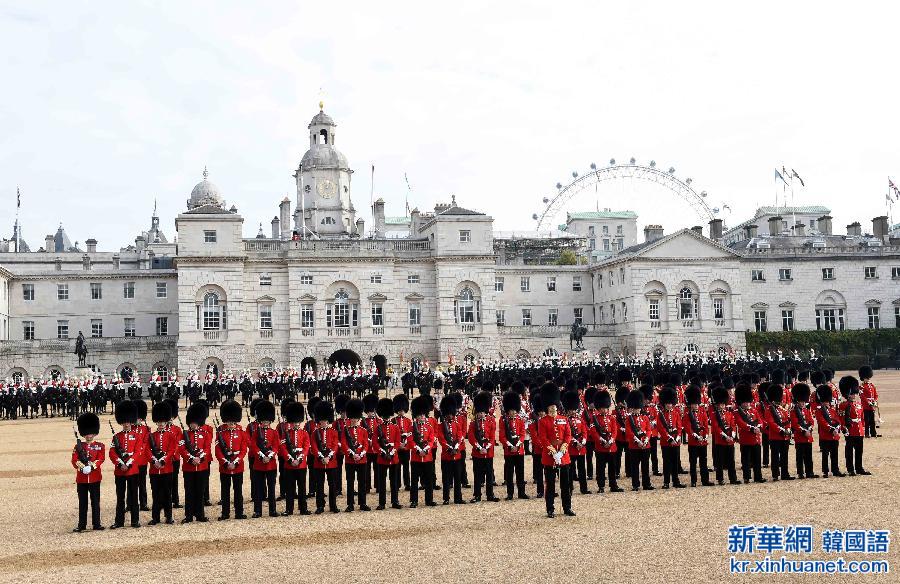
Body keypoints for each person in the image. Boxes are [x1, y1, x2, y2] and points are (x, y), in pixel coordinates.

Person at [537, 383, 574, 518]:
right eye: (551, 406)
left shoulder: (563, 419)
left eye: (555, 406)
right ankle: (550, 509)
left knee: (565, 485)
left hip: (563, 456)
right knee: (550, 485)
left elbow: (568, 435)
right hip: (550, 457)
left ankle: (567, 507)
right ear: (547, 407)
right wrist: (553, 452)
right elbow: (543, 438)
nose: (553, 408)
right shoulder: (543, 421)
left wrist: (563, 449)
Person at [109, 399, 141, 529]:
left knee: (134, 496)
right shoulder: (116, 436)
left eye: (128, 421)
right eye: (124, 421)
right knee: (120, 497)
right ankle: (119, 521)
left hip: (132, 470)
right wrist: (120, 463)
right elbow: (112, 452)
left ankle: (135, 520)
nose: (126, 424)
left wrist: (129, 462)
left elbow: (138, 451)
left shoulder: (136, 435)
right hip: (120, 470)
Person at [215, 399, 249, 520]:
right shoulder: (220, 432)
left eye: (233, 421)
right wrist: (225, 462)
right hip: (225, 467)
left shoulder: (242, 432)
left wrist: (235, 462)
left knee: (238, 491)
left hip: (237, 465)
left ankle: (239, 513)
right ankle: (225, 513)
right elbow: (218, 450)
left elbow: (244, 450)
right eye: (229, 420)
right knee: (225, 491)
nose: (231, 423)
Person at [72, 412, 105, 532]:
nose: (88, 435)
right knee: (83, 503)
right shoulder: (78, 446)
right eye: (86, 433)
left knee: (95, 502)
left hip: (95, 477)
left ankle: (97, 524)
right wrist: (82, 468)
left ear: (94, 433)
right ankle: (82, 525)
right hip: (82, 478)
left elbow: (101, 458)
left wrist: (92, 467)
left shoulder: (100, 446)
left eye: (90, 433)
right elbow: (74, 460)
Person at [180, 402, 211, 523]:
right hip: (189, 467)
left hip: (202, 467)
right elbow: (182, 449)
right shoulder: (185, 435)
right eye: (191, 423)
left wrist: (200, 458)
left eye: (195, 422)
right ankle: (188, 515)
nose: (193, 425)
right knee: (189, 492)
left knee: (200, 491)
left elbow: (207, 448)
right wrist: (191, 458)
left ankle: (200, 514)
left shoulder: (205, 434)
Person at [587, 390, 623, 493]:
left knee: (612, 468)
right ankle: (601, 486)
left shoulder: (611, 418)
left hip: (611, 447)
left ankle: (613, 485)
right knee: (600, 469)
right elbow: (593, 432)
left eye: (606, 408)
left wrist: (611, 440)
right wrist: (602, 441)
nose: (605, 410)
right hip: (600, 447)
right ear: (599, 408)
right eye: (602, 408)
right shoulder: (594, 419)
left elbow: (615, 430)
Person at [147, 401, 176, 525]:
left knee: (167, 494)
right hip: (154, 469)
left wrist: (163, 460)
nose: (161, 424)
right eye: (159, 422)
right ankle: (155, 517)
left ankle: (168, 516)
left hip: (166, 468)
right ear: (156, 422)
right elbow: (147, 450)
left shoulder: (171, 435)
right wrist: (154, 461)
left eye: (163, 422)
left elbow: (172, 450)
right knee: (156, 494)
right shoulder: (151, 436)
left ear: (166, 422)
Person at [279, 401, 311, 516]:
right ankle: (289, 509)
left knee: (302, 488)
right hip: (289, 464)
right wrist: (290, 459)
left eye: (298, 422)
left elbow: (306, 447)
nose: (296, 424)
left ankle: (303, 509)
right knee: (290, 488)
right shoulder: (286, 433)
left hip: (301, 464)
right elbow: (282, 447)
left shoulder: (305, 433)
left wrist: (300, 459)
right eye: (295, 422)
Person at [249, 400, 279, 518]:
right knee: (258, 489)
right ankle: (258, 511)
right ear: (261, 421)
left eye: (267, 421)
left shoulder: (274, 432)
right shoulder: (256, 432)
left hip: (270, 464)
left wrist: (269, 456)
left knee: (271, 488)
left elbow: (276, 446)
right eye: (264, 421)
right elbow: (253, 445)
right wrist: (262, 456)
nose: (266, 423)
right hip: (259, 464)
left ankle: (272, 510)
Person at [310, 400, 341, 514]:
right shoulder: (315, 432)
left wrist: (328, 457)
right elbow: (314, 446)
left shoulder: (333, 432)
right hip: (319, 462)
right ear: (319, 421)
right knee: (319, 486)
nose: (324, 422)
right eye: (322, 420)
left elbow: (335, 446)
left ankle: (333, 505)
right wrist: (321, 457)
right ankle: (320, 506)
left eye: (325, 420)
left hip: (331, 462)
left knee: (332, 485)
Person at [498, 390, 528, 500]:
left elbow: (522, 434)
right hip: (509, 450)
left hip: (519, 450)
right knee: (510, 473)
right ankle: (510, 493)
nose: (513, 412)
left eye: (515, 410)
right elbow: (502, 436)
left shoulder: (519, 419)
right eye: (511, 410)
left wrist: (518, 444)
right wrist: (510, 445)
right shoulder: (503, 420)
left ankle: (521, 492)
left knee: (520, 472)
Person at [408, 395, 437, 508]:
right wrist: (418, 450)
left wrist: (425, 449)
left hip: (427, 456)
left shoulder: (429, 427)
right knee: (414, 480)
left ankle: (429, 500)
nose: (421, 417)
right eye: (419, 415)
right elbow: (410, 441)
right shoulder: (411, 427)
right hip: (416, 457)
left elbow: (431, 440)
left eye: (423, 415)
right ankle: (413, 500)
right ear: (416, 416)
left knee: (428, 479)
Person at [342, 398, 370, 512]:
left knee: (362, 483)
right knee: (350, 483)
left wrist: (361, 454)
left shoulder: (363, 430)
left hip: (361, 460)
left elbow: (366, 444)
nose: (354, 420)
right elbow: (344, 444)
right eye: (352, 418)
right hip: (350, 460)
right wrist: (352, 454)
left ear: (358, 418)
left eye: (356, 418)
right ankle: (350, 504)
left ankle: (362, 503)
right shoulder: (346, 430)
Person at [734, 383, 765, 484]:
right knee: (746, 460)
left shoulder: (753, 410)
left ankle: (758, 476)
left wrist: (759, 427)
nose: (747, 404)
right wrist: (752, 429)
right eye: (745, 402)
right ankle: (746, 477)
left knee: (757, 460)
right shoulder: (738, 412)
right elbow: (741, 423)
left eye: (748, 402)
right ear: (741, 402)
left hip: (756, 439)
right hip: (746, 439)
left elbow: (760, 420)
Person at [374, 398, 402, 510]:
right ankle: (382, 503)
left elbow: (397, 441)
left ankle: (395, 501)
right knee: (382, 482)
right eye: (385, 416)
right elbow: (375, 443)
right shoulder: (378, 428)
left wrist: (391, 451)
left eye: (387, 416)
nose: (386, 418)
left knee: (394, 481)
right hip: (382, 458)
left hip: (393, 457)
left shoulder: (395, 427)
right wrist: (382, 451)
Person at [683, 385, 714, 487]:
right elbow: (688, 428)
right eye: (694, 404)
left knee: (703, 462)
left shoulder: (702, 412)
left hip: (703, 441)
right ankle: (693, 481)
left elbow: (705, 426)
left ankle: (705, 480)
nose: (696, 406)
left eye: (697, 404)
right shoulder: (687, 414)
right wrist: (695, 436)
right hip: (693, 442)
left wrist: (705, 436)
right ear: (690, 404)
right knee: (693, 463)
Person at [839, 376, 870, 476]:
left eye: (854, 393)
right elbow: (841, 418)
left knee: (859, 451)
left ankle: (859, 468)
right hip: (850, 430)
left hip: (859, 430)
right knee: (849, 452)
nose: (853, 395)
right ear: (847, 394)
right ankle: (850, 469)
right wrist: (844, 428)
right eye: (851, 393)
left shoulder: (858, 404)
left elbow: (862, 418)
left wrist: (863, 428)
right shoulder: (843, 405)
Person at [437, 395, 465, 505]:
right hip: (446, 455)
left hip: (457, 454)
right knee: (446, 478)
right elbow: (441, 439)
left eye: (450, 413)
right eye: (447, 413)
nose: (449, 415)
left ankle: (458, 497)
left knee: (457, 477)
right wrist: (449, 448)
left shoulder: (456, 424)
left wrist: (456, 447)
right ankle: (446, 498)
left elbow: (460, 436)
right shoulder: (440, 426)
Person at [710, 385, 740, 485]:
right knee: (720, 461)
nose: (721, 406)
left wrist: (732, 435)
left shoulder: (729, 413)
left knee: (731, 461)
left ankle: (733, 478)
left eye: (723, 404)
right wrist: (725, 436)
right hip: (720, 440)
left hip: (730, 440)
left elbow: (733, 424)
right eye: (719, 405)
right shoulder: (714, 415)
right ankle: (720, 478)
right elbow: (716, 427)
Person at [656, 386, 685, 489]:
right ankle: (666, 482)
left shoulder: (676, 413)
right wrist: (669, 439)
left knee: (675, 462)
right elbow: (661, 429)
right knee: (667, 462)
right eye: (667, 403)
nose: (669, 405)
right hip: (666, 442)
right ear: (664, 403)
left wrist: (677, 438)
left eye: (670, 403)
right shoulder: (661, 415)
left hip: (675, 442)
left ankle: (676, 481)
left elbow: (679, 427)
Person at [814, 384, 845, 478]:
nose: (827, 403)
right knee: (825, 454)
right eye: (825, 402)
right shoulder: (819, 411)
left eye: (828, 401)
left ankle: (835, 470)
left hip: (834, 436)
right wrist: (831, 430)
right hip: (825, 436)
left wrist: (837, 427)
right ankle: (825, 471)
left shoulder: (832, 410)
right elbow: (822, 422)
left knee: (834, 454)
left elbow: (837, 420)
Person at [562, 389, 589, 495]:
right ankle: (570, 488)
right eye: (570, 410)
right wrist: (575, 442)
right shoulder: (565, 420)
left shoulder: (580, 419)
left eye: (573, 409)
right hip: (571, 448)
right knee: (570, 470)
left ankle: (584, 488)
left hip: (581, 448)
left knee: (582, 470)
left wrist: (582, 442)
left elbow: (584, 432)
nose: (572, 411)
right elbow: (566, 434)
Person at [625, 389, 653, 492]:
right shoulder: (629, 419)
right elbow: (629, 432)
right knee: (635, 467)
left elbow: (649, 430)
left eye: (638, 408)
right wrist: (638, 441)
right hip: (634, 446)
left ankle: (647, 484)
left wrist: (645, 440)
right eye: (636, 408)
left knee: (645, 466)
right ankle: (635, 484)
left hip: (645, 445)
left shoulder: (645, 417)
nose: (637, 410)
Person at [765, 384, 794, 481]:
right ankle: (775, 474)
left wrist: (788, 429)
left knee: (784, 456)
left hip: (785, 436)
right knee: (775, 456)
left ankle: (785, 474)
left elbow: (787, 420)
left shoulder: (782, 409)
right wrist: (781, 431)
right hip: (775, 437)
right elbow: (771, 423)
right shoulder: (769, 410)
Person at [789, 383, 817, 480]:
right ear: (797, 401)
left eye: (804, 401)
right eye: (801, 401)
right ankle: (800, 473)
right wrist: (804, 431)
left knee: (809, 455)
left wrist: (809, 429)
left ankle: (810, 472)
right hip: (800, 436)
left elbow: (811, 421)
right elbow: (795, 424)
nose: (803, 403)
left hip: (808, 436)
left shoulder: (806, 411)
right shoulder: (793, 411)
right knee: (800, 456)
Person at [132, 399, 151, 512]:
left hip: (142, 460)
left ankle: (143, 503)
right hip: (132, 461)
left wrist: (138, 451)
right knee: (131, 484)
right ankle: (130, 504)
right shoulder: (130, 429)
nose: (137, 420)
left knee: (142, 483)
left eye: (139, 418)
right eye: (136, 418)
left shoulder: (146, 429)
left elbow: (146, 443)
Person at [393, 394, 413, 491]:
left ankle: (407, 484)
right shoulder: (393, 420)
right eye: (400, 410)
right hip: (397, 447)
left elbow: (410, 433)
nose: (401, 412)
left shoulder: (408, 421)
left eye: (403, 410)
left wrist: (405, 443)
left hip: (405, 447)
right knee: (396, 467)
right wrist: (398, 444)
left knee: (406, 467)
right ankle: (397, 484)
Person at [527, 394, 545, 498]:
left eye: (543, 411)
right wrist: (543, 446)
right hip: (538, 450)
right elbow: (534, 437)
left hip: (547, 450)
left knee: (548, 472)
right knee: (539, 472)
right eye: (540, 412)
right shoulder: (533, 422)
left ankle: (549, 490)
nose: (542, 413)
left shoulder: (548, 420)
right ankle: (540, 491)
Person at [858, 366, 880, 438]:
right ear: (863, 378)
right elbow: (862, 397)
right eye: (866, 378)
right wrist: (869, 403)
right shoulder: (861, 387)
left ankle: (873, 433)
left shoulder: (872, 385)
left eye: (868, 378)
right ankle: (867, 434)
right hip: (865, 406)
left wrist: (875, 401)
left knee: (872, 420)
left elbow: (875, 394)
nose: (868, 379)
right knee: (866, 421)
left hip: (872, 405)